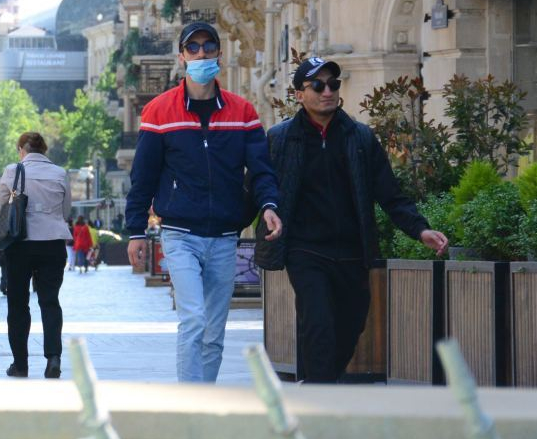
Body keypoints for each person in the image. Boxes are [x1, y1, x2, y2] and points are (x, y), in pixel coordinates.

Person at [255, 56, 450, 383]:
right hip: (304, 251)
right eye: (318, 85)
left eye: (333, 84)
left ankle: (322, 383)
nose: (327, 91)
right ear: (300, 95)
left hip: (352, 251)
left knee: (351, 324)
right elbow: (259, 188)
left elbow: (389, 193)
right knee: (317, 322)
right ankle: (320, 394)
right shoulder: (281, 138)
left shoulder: (360, 138)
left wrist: (421, 229)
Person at [126, 21, 283, 384]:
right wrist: (135, 229)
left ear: (218, 54)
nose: (200, 53)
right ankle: (190, 402)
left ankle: (206, 396)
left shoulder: (242, 111)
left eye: (207, 46)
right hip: (180, 234)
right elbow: (143, 176)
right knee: (193, 318)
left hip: (226, 236)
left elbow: (261, 170)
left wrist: (269, 205)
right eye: (192, 47)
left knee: (214, 329)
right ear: (182, 56)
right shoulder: (159, 112)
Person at [0, 131, 71, 379]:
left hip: (20, 243)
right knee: (50, 301)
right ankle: (53, 358)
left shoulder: (13, 171)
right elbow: (65, 210)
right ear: (44, 150)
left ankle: (20, 364)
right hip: (53, 242)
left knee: (18, 304)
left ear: (21, 150)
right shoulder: (60, 173)